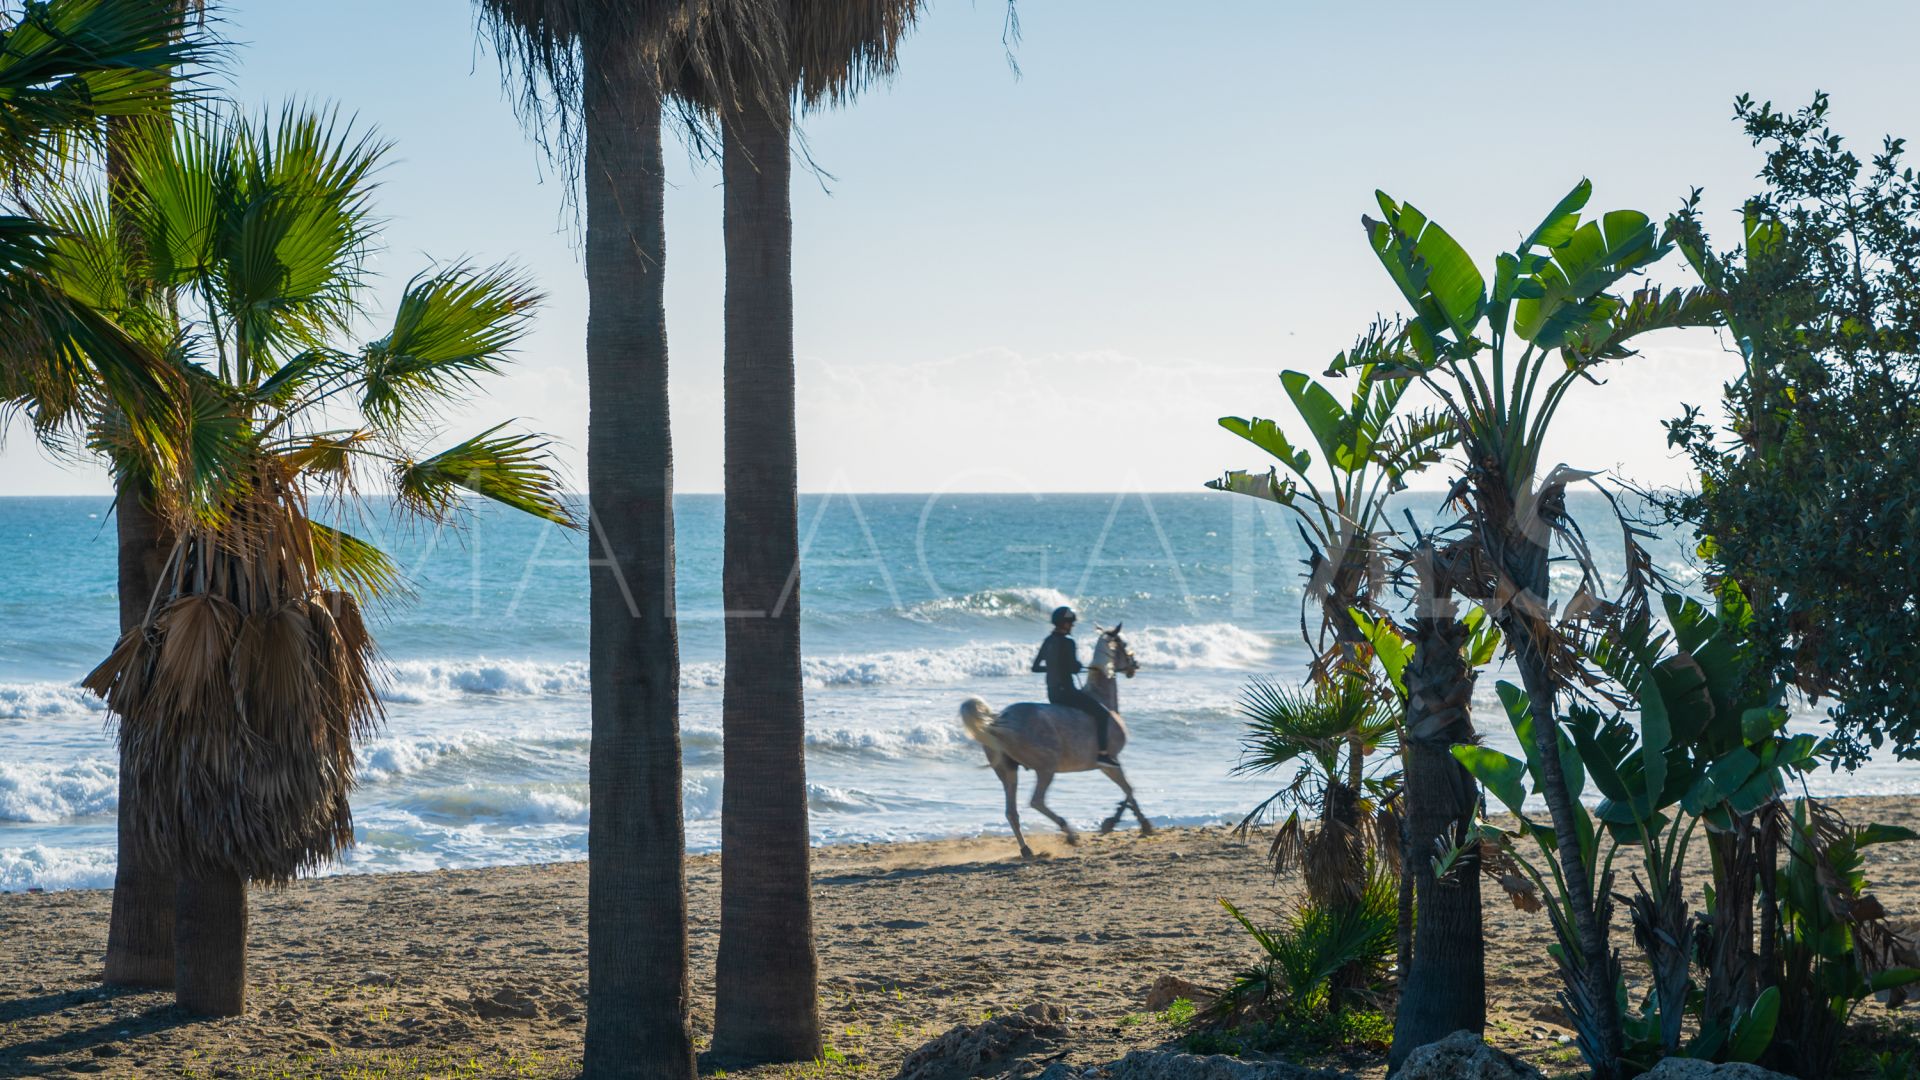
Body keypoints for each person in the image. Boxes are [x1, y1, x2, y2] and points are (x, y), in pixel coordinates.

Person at [1031, 605, 1120, 767]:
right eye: (1070, 623)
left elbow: (1035, 667)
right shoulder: (1069, 642)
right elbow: (1073, 668)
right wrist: (1076, 666)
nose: (1072, 626)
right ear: (1064, 624)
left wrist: (1053, 667)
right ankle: (1103, 754)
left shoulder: (1048, 641)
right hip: (1068, 694)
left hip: (1052, 694)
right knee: (1103, 714)